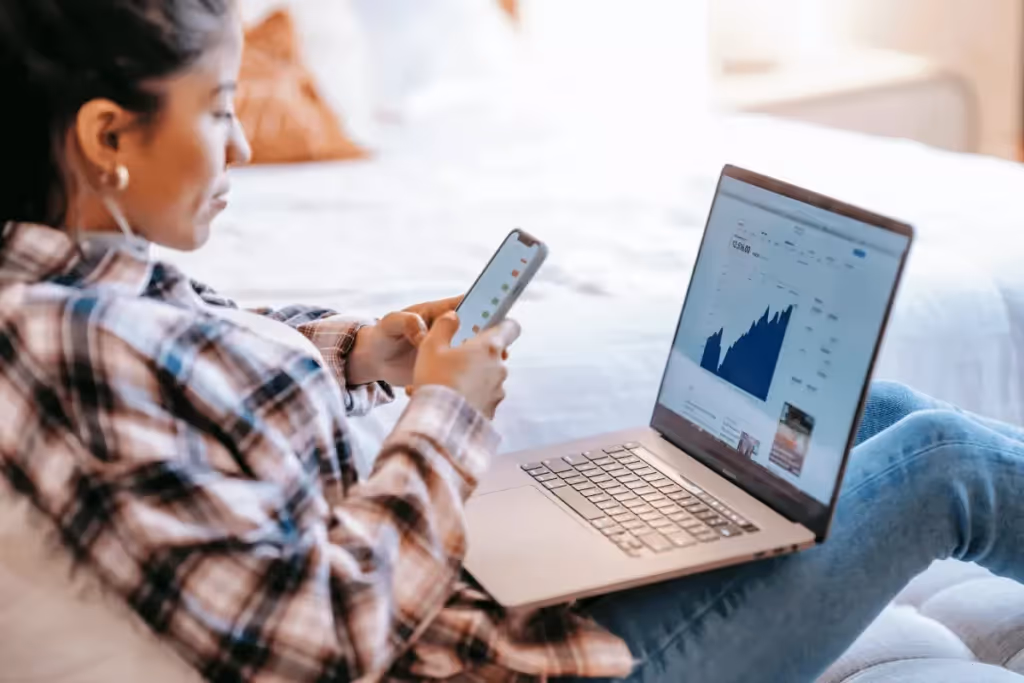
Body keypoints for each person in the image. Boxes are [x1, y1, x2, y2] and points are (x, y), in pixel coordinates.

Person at [1, 1, 1022, 682]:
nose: (245, 144)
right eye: (219, 110)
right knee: (942, 465)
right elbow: (316, 636)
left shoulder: (78, 286)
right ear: (105, 137)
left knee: (883, 414)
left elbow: (197, 364)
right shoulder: (69, 342)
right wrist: (444, 413)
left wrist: (366, 350)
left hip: (487, 593)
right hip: (502, 659)